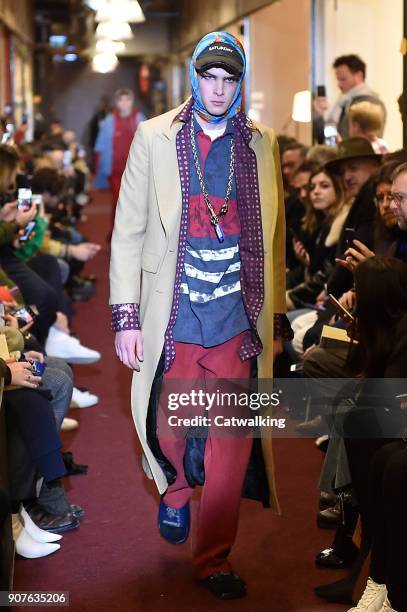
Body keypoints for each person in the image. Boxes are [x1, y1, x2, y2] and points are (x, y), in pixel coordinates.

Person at [110, 31, 290, 600]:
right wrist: (126, 316)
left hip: (238, 318)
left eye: (228, 79)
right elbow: (128, 232)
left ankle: (213, 557)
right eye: (209, 78)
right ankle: (176, 489)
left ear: (240, 83)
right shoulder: (155, 137)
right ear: (195, 77)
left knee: (231, 446)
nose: (217, 89)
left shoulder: (262, 143)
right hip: (176, 311)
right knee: (170, 424)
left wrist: (277, 319)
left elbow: (275, 238)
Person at [94, 88, 146, 232]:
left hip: (137, 170)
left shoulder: (140, 119)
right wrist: (100, 174)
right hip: (116, 171)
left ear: (132, 101)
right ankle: (116, 233)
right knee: (118, 203)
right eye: (121, 100)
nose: (124, 103)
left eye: (127, 99)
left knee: (137, 204)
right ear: (117, 103)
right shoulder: (109, 121)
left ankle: (135, 233)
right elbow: (100, 147)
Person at [315, 54, 385, 139]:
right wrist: (321, 114)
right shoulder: (346, 101)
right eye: (338, 80)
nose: (339, 85)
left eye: (343, 79)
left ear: (359, 76)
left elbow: (352, 140)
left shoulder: (369, 103)